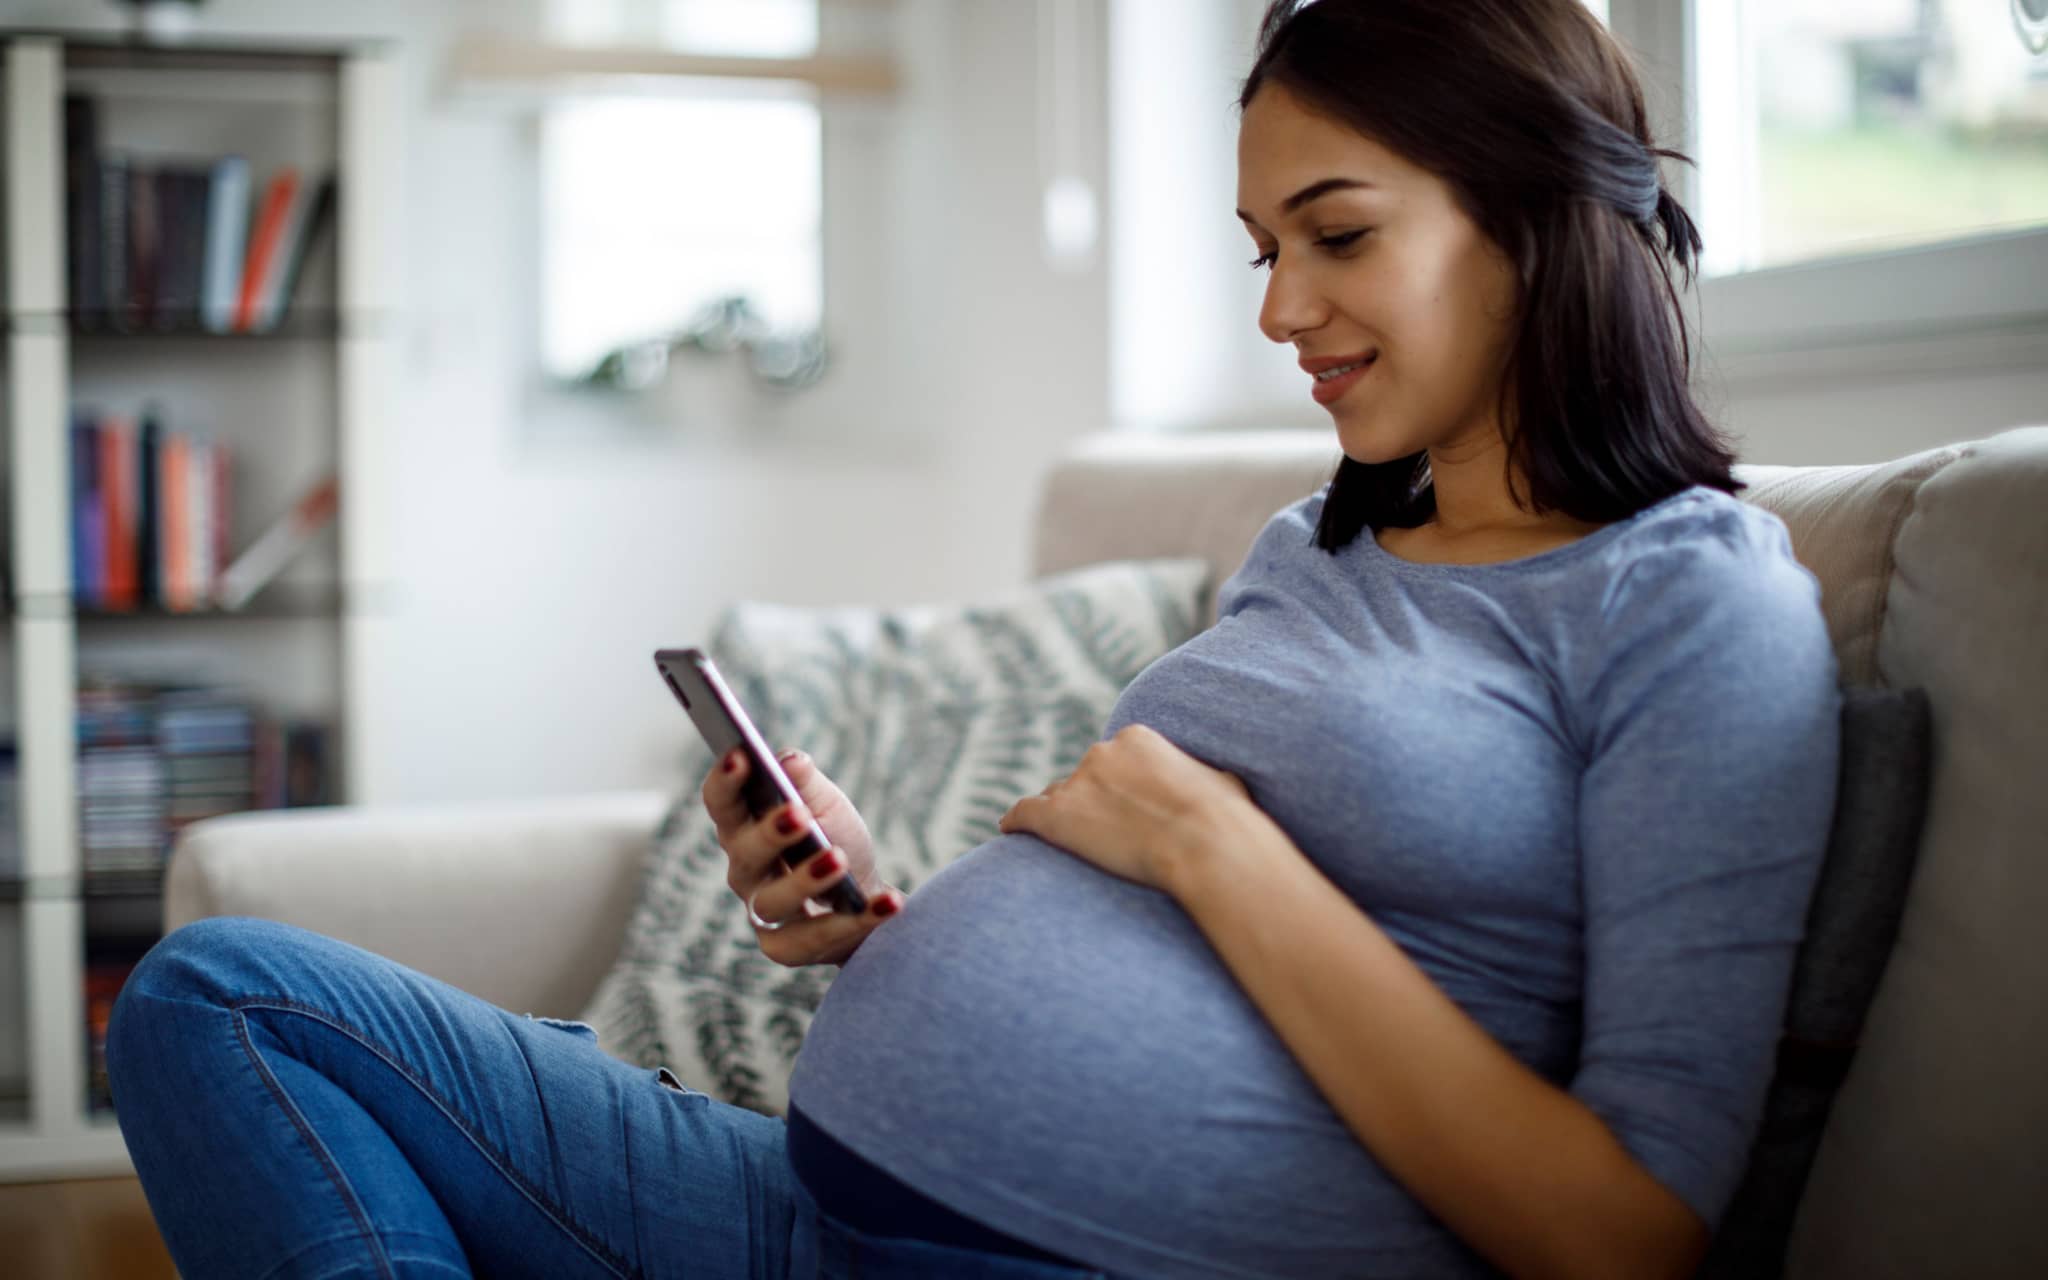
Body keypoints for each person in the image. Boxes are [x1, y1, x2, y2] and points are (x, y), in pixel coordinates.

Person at [105, 1, 1841, 1277]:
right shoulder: (1319, 542)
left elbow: (1626, 1235)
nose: (1279, 310)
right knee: (219, 996)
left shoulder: (1695, 603)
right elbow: (1162, 977)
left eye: (1339, 235)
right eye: (1258, 247)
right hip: (810, 1203)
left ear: (1536, 218)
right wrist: (890, 926)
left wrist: (1214, 847)